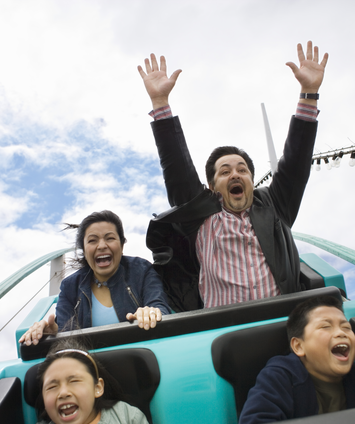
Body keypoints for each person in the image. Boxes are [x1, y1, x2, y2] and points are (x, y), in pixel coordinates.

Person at [138, 41, 328, 312]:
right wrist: (160, 103)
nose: (235, 174)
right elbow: (177, 169)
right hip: (225, 331)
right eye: (225, 172)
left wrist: (309, 93)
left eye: (242, 170)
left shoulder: (275, 206)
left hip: (282, 323)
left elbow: (296, 163)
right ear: (212, 187)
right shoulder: (200, 217)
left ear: (251, 179)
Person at [20, 210, 171, 346]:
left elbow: (160, 308)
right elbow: (66, 335)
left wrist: (151, 313)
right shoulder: (70, 286)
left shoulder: (142, 270)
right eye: (92, 240)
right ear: (84, 250)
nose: (102, 245)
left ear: (122, 245)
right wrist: (52, 333)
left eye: (110, 238)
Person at [237, 295, 355, 424]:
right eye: (325, 326)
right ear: (299, 346)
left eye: (346, 327)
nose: (341, 333)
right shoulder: (279, 375)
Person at [30, 339, 153, 424]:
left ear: (98, 388)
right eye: (52, 387)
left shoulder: (127, 417)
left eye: (74, 381)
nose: (63, 393)